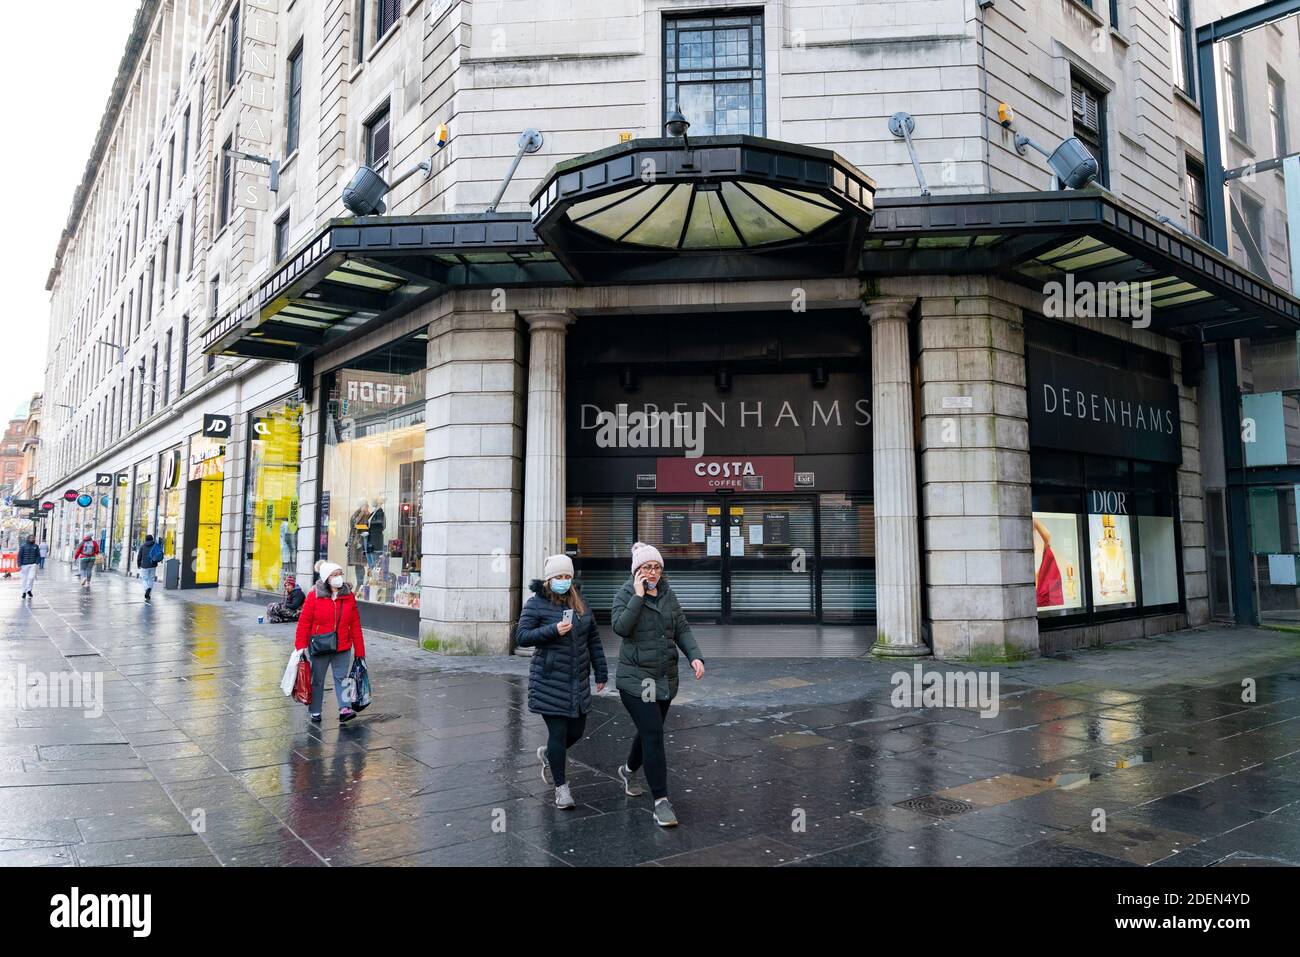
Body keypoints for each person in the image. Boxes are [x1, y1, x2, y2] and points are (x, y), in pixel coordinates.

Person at [611, 541, 705, 828]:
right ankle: (661, 802)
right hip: (635, 680)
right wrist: (638, 597)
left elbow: (682, 628)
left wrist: (695, 656)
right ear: (636, 571)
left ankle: (628, 770)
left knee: (649, 731)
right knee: (653, 735)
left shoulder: (667, 595)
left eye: (657, 568)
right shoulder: (625, 594)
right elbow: (620, 628)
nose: (652, 573)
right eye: (646, 567)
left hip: (664, 678)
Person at [515, 554, 608, 810]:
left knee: (576, 731)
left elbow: (594, 640)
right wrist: (553, 630)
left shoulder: (580, 603)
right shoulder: (536, 604)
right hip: (549, 680)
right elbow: (521, 636)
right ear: (549, 580)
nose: (564, 581)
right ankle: (561, 789)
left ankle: (549, 754)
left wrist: (600, 672)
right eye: (559, 577)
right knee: (558, 732)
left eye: (567, 577)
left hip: (577, 680)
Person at [294, 560, 367, 725]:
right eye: (334, 575)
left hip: (343, 645)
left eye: (340, 574)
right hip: (320, 646)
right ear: (327, 578)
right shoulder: (314, 595)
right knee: (317, 680)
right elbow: (304, 622)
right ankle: (315, 711)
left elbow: (355, 623)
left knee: (343, 677)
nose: (338, 577)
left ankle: (345, 708)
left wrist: (360, 651)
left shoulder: (348, 595)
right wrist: (300, 647)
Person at [17, 535, 40, 600]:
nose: (32, 539)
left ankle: (29, 590)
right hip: (24, 565)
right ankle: (24, 592)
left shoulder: (36, 546)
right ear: (28, 539)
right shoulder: (23, 546)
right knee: (24, 579)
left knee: (31, 578)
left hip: (33, 564)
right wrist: (19, 565)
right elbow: (19, 556)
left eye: (33, 538)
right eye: (31, 538)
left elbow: (38, 555)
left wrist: (36, 563)